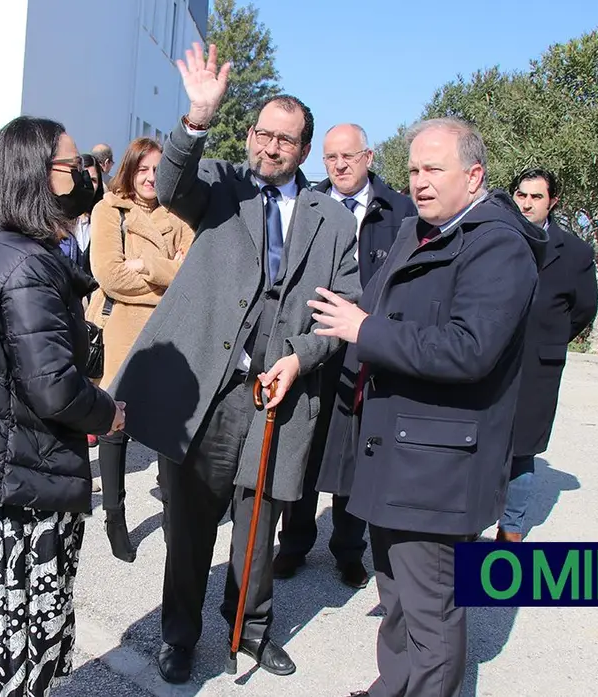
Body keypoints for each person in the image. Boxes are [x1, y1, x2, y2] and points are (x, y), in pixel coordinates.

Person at [109, 42, 360, 683]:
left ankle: (250, 631)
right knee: (190, 524)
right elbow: (169, 184)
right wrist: (196, 119)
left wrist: (302, 360)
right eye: (262, 134)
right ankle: (179, 636)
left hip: (282, 395)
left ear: (304, 151)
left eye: (286, 140)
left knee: (261, 523)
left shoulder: (332, 220)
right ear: (249, 135)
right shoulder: (220, 185)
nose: (270, 148)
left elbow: (345, 309)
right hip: (215, 394)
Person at [310, 117, 545, 697]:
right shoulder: (420, 231)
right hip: (397, 456)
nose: (418, 181)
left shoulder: (497, 246)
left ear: (474, 175)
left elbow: (471, 350)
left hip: (437, 469)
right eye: (413, 168)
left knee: (431, 615)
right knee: (396, 600)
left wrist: (364, 330)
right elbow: (378, 309)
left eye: (434, 169)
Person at [0, 116, 126, 697]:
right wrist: (106, 413)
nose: (83, 175)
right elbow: (54, 386)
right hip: (20, 486)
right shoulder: (28, 265)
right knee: (19, 638)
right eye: (70, 165)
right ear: (34, 176)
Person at [274, 123, 418, 588]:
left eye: (349, 157)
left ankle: (347, 550)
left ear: (369, 157)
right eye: (331, 158)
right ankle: (294, 543)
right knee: (302, 446)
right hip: (313, 343)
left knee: (355, 457)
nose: (339, 165)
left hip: (368, 349)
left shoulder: (401, 212)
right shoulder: (308, 205)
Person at [86, 137, 194, 562]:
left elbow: (194, 274)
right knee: (114, 426)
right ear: (129, 170)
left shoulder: (178, 211)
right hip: (119, 329)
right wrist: (170, 282)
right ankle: (115, 517)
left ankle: (172, 517)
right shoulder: (109, 209)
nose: (150, 178)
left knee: (168, 427)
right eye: (143, 169)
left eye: (158, 169)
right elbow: (110, 276)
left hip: (167, 333)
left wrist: (149, 267)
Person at [496, 167, 598, 541]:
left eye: (536, 197)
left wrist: (549, 338)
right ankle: (469, 523)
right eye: (521, 195)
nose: (527, 203)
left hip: (537, 368)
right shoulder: (496, 238)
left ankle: (510, 529)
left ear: (553, 202)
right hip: (489, 361)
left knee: (522, 452)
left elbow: (584, 309)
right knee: (482, 444)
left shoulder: (575, 253)